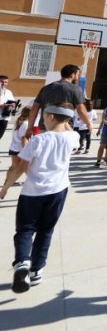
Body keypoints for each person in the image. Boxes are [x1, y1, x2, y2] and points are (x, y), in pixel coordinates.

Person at [1, 103, 80, 293]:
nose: (42, 119)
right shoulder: (72, 138)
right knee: (46, 230)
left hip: (33, 192)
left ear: (51, 117)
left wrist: (5, 188)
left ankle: (22, 263)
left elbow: (19, 167)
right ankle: (36, 270)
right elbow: (70, 130)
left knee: (25, 229)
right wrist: (67, 118)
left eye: (44, 116)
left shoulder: (39, 140)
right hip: (58, 191)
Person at [25, 65, 91, 140]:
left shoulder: (46, 88)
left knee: (45, 150)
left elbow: (34, 110)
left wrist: (30, 127)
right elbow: (81, 111)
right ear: (72, 75)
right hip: (63, 128)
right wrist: (88, 124)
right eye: (77, 75)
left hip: (45, 126)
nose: (78, 77)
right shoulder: (75, 89)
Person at [8, 107, 32, 171]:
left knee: (14, 166)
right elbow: (23, 138)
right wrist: (26, 150)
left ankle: (9, 180)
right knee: (26, 167)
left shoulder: (18, 121)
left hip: (13, 148)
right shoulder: (26, 124)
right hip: (20, 149)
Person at [0, 75, 18, 143]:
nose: (3, 84)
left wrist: (13, 105)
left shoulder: (9, 92)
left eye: (6, 82)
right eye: (2, 81)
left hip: (5, 118)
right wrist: (3, 105)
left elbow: (13, 102)